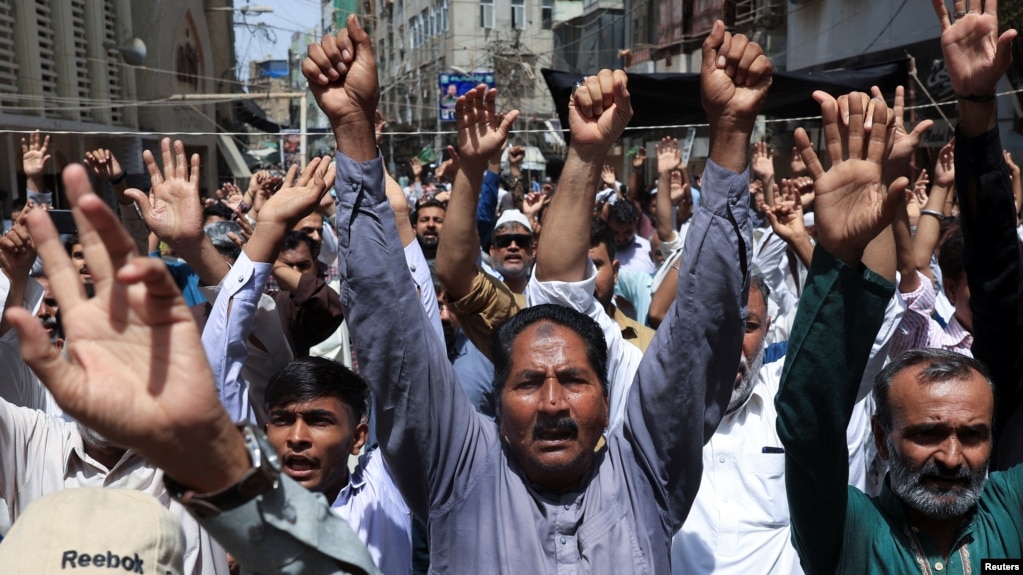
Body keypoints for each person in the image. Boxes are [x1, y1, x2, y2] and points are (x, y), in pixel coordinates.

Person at [306, 14, 763, 571]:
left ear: (606, 396)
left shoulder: (646, 472)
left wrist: (732, 132)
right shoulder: (459, 472)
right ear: (495, 401)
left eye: (573, 380)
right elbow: (390, 331)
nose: (551, 404)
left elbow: (702, 331)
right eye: (528, 382)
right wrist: (353, 130)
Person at [777, 5, 1023, 569]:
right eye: (929, 433)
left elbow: (1002, 302)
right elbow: (810, 425)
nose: (953, 457)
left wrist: (979, 114)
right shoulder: (849, 532)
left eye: (974, 435)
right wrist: (837, 258)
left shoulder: (1008, 512)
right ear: (883, 441)